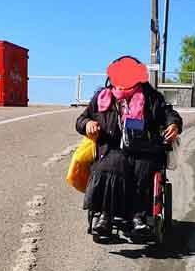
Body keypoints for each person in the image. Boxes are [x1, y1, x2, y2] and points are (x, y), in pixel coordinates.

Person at [75, 55, 182, 239]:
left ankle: (138, 217)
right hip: (113, 149)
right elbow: (81, 119)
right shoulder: (103, 98)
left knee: (143, 169)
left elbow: (169, 114)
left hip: (145, 150)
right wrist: (87, 124)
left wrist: (174, 125)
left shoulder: (151, 98)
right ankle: (105, 217)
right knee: (109, 167)